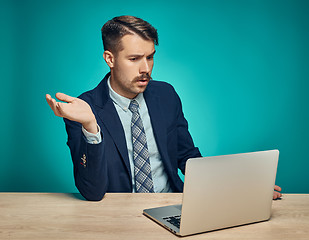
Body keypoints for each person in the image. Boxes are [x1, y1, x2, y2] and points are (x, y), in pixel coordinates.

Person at [46, 15, 282, 201]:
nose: (145, 68)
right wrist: (90, 128)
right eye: (134, 58)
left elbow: (187, 158)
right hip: (118, 216)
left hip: (172, 206)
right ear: (110, 58)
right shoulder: (83, 110)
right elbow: (92, 192)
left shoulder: (166, 95)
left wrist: (237, 188)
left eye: (150, 57)